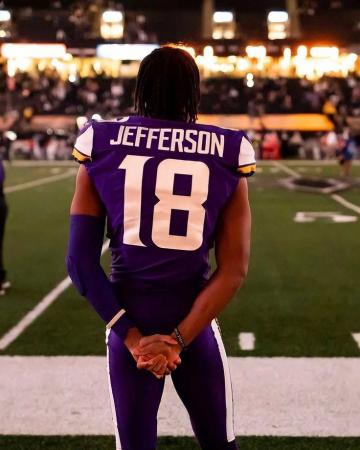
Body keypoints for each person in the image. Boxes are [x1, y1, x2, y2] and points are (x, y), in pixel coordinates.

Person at [66, 46, 255, 450]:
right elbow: (234, 269)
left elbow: (80, 263)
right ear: (194, 91)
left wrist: (134, 339)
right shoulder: (227, 151)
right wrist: (178, 340)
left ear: (141, 87)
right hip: (195, 319)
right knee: (220, 445)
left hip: (127, 315)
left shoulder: (101, 141)